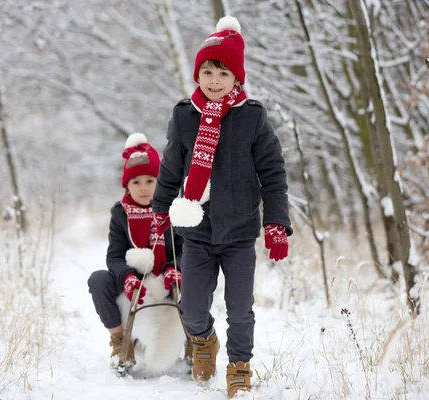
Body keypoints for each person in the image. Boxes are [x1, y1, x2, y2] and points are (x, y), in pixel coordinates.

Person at [151, 16, 291, 398]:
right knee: (192, 308)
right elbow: (170, 168)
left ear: (237, 79)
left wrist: (276, 223)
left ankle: (239, 366)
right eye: (208, 71)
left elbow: (274, 174)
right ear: (198, 74)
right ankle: (203, 341)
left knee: (240, 309)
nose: (214, 80)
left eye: (223, 72)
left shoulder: (252, 118)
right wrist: (159, 211)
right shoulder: (184, 116)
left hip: (240, 231)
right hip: (196, 231)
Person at [88, 133, 184, 371]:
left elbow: (186, 249)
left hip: (166, 276)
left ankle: (196, 342)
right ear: (127, 186)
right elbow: (115, 255)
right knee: (98, 279)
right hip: (135, 280)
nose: (143, 188)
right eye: (136, 182)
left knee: (200, 274)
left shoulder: (175, 210)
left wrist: (175, 268)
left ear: (160, 181)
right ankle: (121, 343)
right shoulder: (121, 213)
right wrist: (127, 276)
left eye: (150, 181)